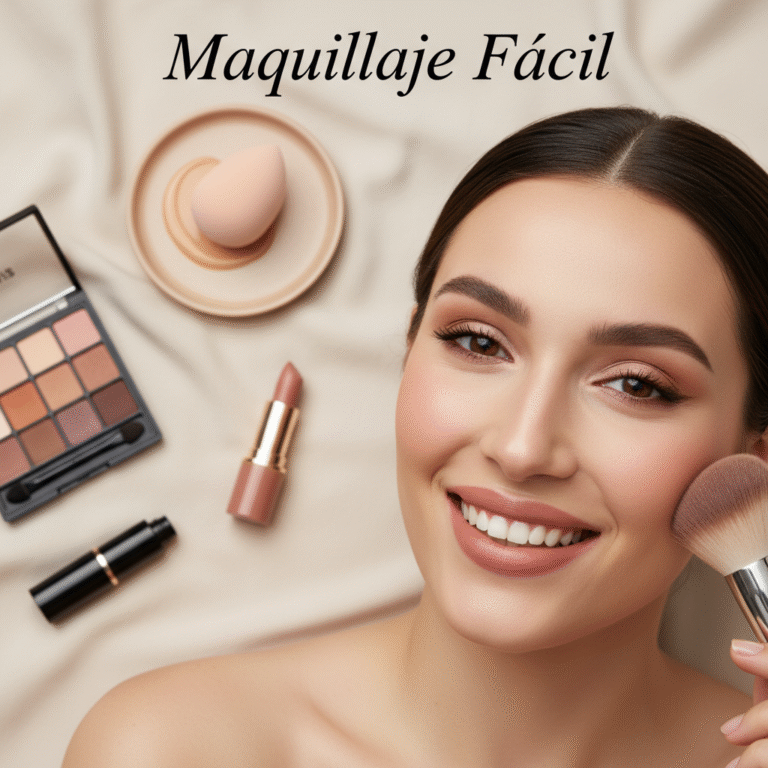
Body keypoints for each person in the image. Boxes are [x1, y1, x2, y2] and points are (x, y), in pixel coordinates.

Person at [63, 107, 768, 768]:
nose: (522, 449)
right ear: (409, 349)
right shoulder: (172, 748)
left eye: (637, 385)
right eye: (477, 341)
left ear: (755, 455)